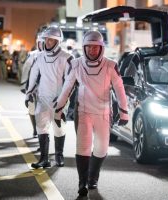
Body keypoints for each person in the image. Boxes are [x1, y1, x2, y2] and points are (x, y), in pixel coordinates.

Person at [53, 30, 129, 196]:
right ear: (84, 48)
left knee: (101, 149)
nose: (92, 50)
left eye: (96, 47)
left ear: (101, 48)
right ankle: (82, 183)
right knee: (83, 147)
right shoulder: (77, 64)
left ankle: (93, 177)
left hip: (103, 112)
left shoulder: (110, 65)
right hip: (84, 112)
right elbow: (66, 89)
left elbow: (120, 89)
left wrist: (124, 112)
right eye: (89, 47)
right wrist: (58, 111)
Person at [25, 26, 73, 169]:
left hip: (59, 98)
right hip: (42, 97)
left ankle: (59, 155)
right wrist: (28, 94)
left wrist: (62, 99)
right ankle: (44, 159)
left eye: (52, 40)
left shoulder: (67, 57)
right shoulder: (39, 56)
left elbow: (70, 81)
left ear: (58, 41)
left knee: (59, 128)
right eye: (47, 39)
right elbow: (33, 76)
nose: (48, 42)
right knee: (41, 127)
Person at [21, 32, 44, 138]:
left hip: (45, 88)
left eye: (43, 42)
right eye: (40, 42)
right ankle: (35, 129)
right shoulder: (32, 54)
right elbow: (26, 70)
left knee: (42, 112)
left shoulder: (51, 56)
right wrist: (24, 85)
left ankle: (41, 132)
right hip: (32, 87)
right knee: (31, 109)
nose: (42, 45)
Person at [65, 38, 81, 120]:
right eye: (67, 44)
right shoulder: (66, 53)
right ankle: (68, 114)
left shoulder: (76, 54)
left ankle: (70, 115)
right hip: (67, 79)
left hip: (73, 80)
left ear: (73, 45)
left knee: (72, 97)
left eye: (70, 44)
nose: (68, 45)